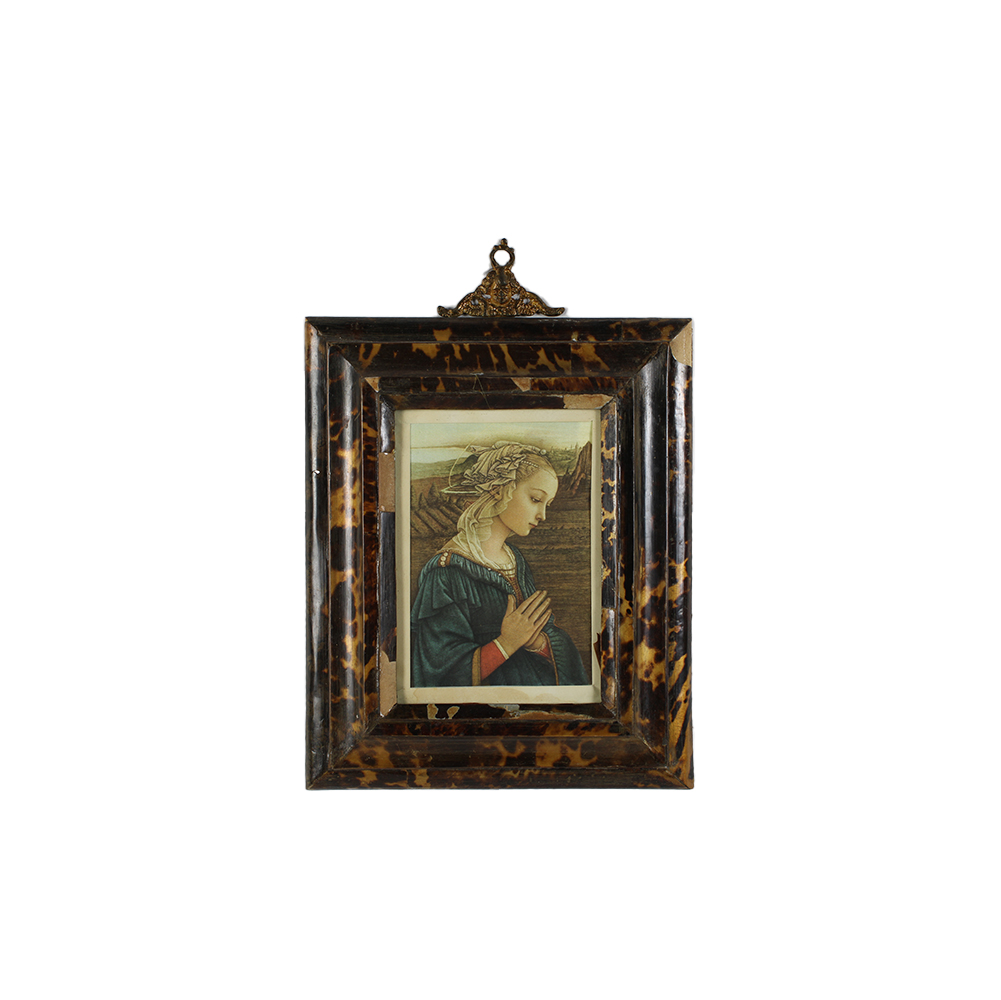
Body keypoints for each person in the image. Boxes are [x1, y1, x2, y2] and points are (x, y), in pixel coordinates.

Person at [410, 441, 589, 688]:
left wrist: (536, 643)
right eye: (535, 499)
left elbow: (542, 631)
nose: (542, 515)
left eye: (547, 504)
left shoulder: (515, 560)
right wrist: (507, 643)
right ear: (498, 490)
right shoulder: (445, 573)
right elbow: (438, 672)